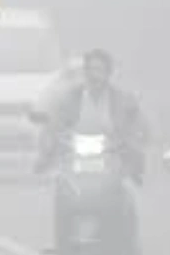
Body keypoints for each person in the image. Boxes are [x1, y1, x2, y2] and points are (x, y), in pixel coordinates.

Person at [34, 49, 148, 180]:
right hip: (74, 150)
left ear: (108, 73)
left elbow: (140, 125)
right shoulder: (69, 97)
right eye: (91, 70)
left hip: (111, 151)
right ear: (85, 72)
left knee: (131, 173)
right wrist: (50, 142)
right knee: (57, 173)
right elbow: (54, 122)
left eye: (100, 70)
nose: (95, 75)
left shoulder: (123, 100)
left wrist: (135, 138)